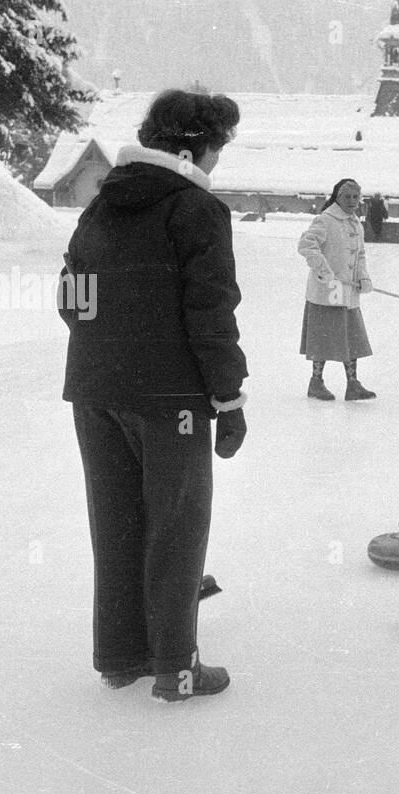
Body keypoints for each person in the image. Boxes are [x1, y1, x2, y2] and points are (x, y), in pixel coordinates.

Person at [57, 88, 247, 702]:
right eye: (217, 148)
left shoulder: (101, 205)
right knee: (175, 529)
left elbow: (71, 296)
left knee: (115, 525)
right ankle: (176, 668)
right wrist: (228, 399)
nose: (217, 161)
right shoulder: (196, 209)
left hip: (94, 392)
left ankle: (119, 657)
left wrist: (109, 344)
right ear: (195, 147)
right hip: (172, 402)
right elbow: (211, 313)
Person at [297, 178, 376, 401]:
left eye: (355, 197)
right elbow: (306, 245)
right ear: (337, 197)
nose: (352, 201)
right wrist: (324, 271)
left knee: (351, 338)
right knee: (323, 339)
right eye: (347, 196)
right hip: (327, 290)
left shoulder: (356, 224)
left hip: (348, 293)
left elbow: (360, 255)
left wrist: (363, 277)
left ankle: (353, 384)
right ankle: (316, 382)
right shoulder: (325, 220)